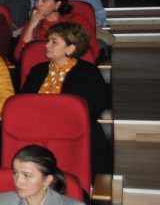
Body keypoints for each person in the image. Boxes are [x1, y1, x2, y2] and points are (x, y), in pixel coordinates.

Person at [20, 22, 111, 175]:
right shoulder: (38, 70)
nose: (47, 45)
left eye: (54, 42)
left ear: (70, 48)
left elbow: (95, 106)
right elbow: (23, 102)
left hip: (73, 132)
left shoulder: (88, 72)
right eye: (48, 40)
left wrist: (59, 121)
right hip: (37, 129)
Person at [14, 0, 99, 62]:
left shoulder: (76, 21)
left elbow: (92, 52)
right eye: (36, 0)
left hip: (71, 67)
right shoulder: (33, 23)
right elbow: (20, 57)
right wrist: (30, 27)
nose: (38, 4)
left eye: (44, 0)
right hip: (40, 68)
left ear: (58, 4)